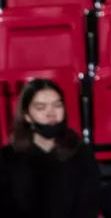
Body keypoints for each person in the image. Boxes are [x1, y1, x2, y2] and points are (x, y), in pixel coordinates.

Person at [0, 79, 100, 218]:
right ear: (27, 116)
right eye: (41, 107)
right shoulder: (7, 158)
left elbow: (87, 209)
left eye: (57, 105)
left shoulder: (82, 154)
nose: (51, 113)